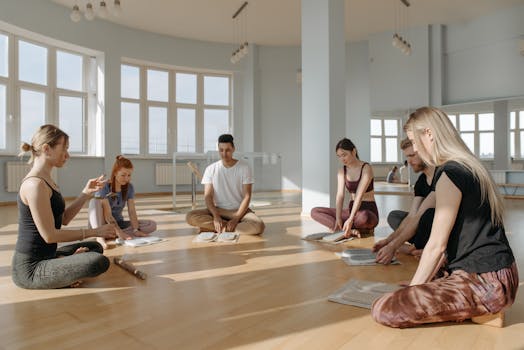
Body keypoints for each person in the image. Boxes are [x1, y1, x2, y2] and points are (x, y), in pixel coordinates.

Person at [372, 107, 518, 328]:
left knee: (385, 308)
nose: (416, 149)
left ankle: (483, 308)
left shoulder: (450, 173)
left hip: (487, 282)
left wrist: (414, 290)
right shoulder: (466, 166)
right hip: (495, 274)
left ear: (428, 134)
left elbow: (436, 246)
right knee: (406, 291)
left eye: (414, 141)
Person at [12, 125, 116, 289]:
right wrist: (96, 231)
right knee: (98, 261)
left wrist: (85, 193)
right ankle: (62, 270)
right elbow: (50, 236)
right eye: (64, 149)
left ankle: (60, 263)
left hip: (48, 255)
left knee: (95, 247)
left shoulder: (47, 181)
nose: (67, 155)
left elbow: (64, 219)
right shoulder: (35, 184)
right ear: (47, 149)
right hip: (30, 269)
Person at [185, 134, 265, 235]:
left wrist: (236, 218)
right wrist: (216, 216)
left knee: (259, 226)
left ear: (233, 149)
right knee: (190, 216)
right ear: (218, 149)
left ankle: (215, 228)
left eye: (227, 150)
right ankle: (227, 227)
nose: (224, 154)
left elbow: (247, 196)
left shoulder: (244, 168)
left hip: (239, 210)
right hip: (219, 210)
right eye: (221, 150)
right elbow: (208, 196)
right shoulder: (210, 169)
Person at [372, 138, 436, 264]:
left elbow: (417, 217)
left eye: (412, 155)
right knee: (395, 216)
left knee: (427, 216)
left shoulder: (441, 175)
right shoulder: (421, 181)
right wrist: (388, 241)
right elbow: (412, 215)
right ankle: (419, 246)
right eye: (407, 156)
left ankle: (416, 247)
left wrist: (393, 246)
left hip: (442, 228)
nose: (409, 161)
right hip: (424, 226)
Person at [310, 138, 379, 238]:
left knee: (365, 217)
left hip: (367, 210)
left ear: (354, 151)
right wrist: (338, 217)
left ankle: (345, 227)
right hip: (351, 210)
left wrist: (350, 219)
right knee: (315, 211)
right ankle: (347, 229)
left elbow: (359, 196)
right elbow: (340, 196)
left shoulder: (366, 168)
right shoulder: (342, 171)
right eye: (339, 156)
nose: (342, 159)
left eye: (344, 155)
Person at [88, 155, 157, 248]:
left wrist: (136, 230)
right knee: (94, 201)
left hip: (118, 223)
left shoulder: (129, 187)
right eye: (123, 175)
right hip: (102, 223)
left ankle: (110, 234)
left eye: (129, 175)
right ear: (115, 173)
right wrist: (119, 232)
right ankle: (99, 236)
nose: (126, 178)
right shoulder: (104, 187)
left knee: (151, 225)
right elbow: (107, 215)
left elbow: (132, 211)